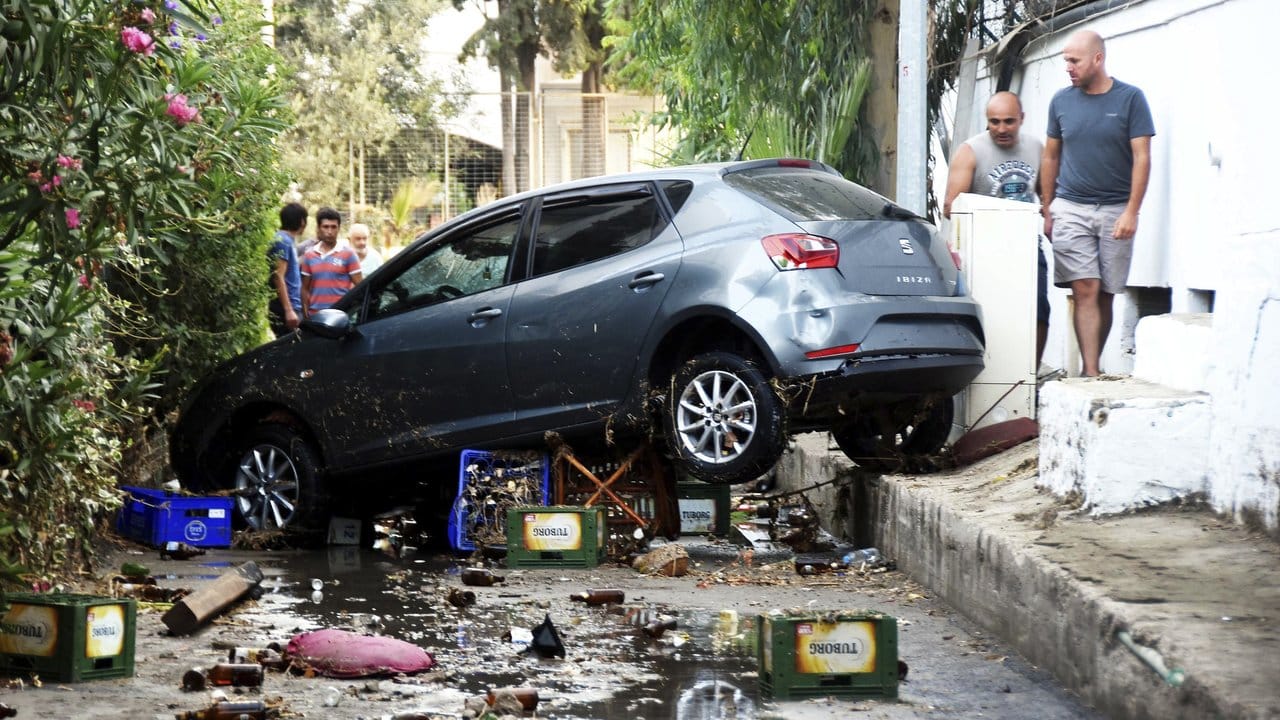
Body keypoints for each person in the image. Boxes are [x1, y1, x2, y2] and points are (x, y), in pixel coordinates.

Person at [1041, 30, 1154, 377]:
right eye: (1066, 61)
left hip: (1117, 209)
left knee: (1106, 292)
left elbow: (1142, 157)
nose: (1068, 68)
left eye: (1074, 61)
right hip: (1071, 208)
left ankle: (1095, 363)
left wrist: (1131, 212)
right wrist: (1048, 208)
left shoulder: (1131, 99)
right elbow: (1050, 157)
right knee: (1085, 287)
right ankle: (1090, 372)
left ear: (1097, 59)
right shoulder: (1061, 102)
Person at [944, 91, 1049, 366]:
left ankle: (1031, 375)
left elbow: (1048, 196)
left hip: (1026, 243)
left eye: (1009, 122)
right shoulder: (971, 151)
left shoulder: (1037, 149)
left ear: (1022, 119)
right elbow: (950, 207)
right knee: (993, 314)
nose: (1001, 129)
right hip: (986, 246)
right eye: (995, 122)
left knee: (1039, 310)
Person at [301, 207, 363, 317]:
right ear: (319, 228)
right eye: (325, 227)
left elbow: (360, 288)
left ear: (339, 228)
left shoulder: (349, 254)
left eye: (333, 227)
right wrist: (306, 316)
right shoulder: (309, 255)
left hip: (340, 318)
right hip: (315, 317)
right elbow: (305, 289)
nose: (330, 231)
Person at [268, 203, 306, 337]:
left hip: (293, 306)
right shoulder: (282, 241)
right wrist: (288, 310)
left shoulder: (287, 241)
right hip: (286, 309)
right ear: (302, 221)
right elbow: (278, 275)